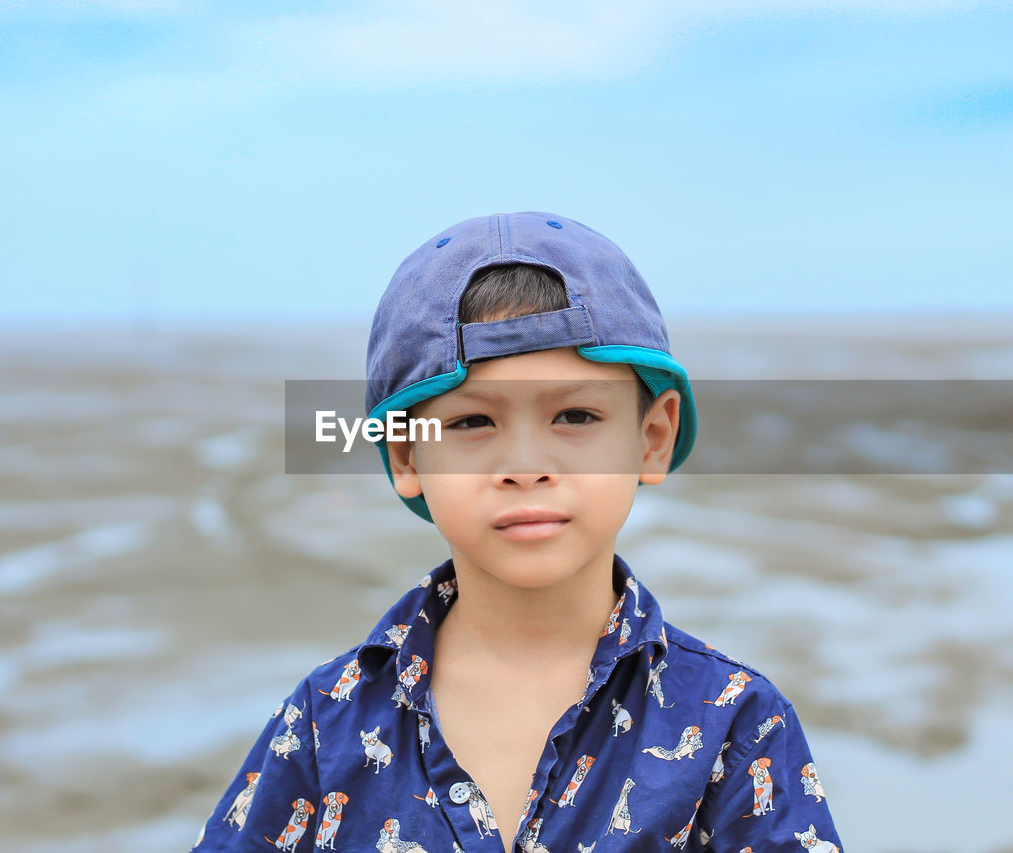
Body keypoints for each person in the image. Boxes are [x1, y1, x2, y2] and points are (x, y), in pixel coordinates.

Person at [191, 212, 843, 852]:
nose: (526, 467)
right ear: (407, 456)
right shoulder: (325, 725)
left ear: (652, 436)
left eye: (576, 414)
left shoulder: (732, 723)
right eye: (474, 423)